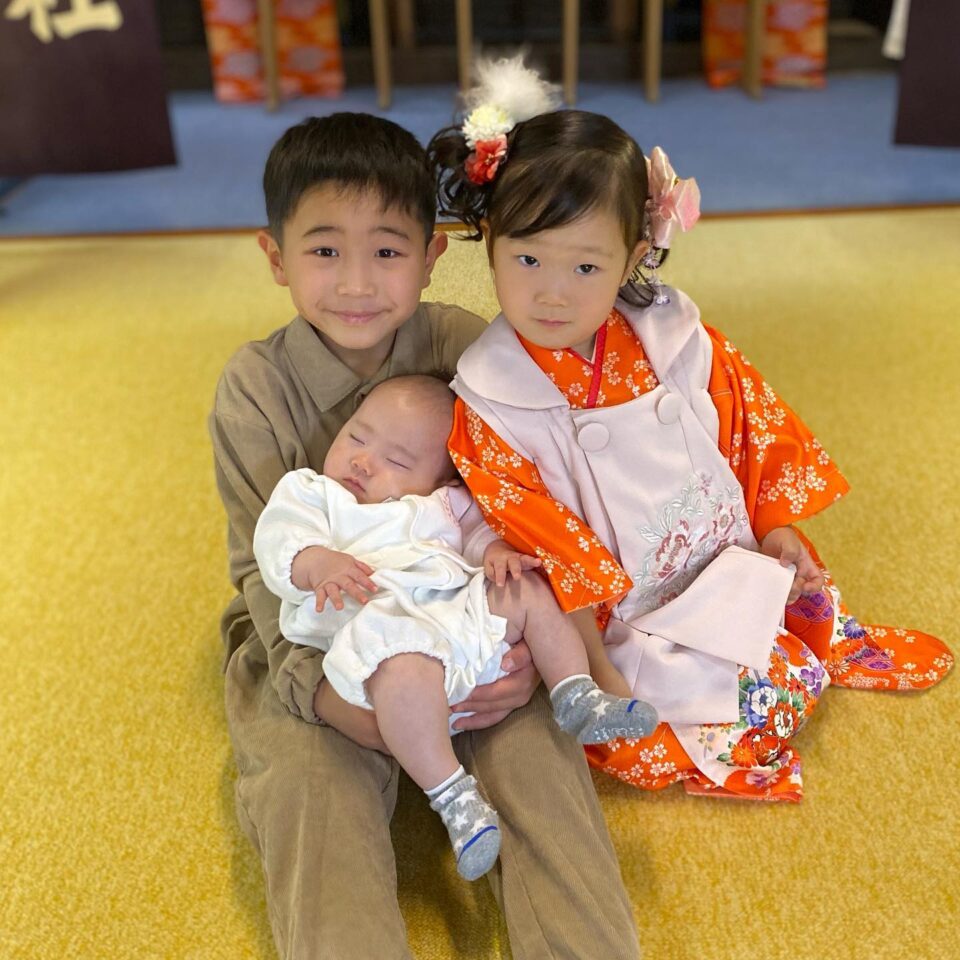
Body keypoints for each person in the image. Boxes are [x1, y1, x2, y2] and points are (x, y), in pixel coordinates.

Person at [428, 56, 953, 803]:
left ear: (634, 258)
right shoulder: (493, 397)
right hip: (626, 612)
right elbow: (551, 549)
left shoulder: (674, 338)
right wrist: (596, 675)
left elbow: (748, 431)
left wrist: (775, 527)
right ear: (490, 242)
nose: (551, 293)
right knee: (692, 726)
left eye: (586, 268)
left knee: (791, 631)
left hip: (720, 551)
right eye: (527, 258)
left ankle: (783, 628)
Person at [208, 112, 642, 958]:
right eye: (324, 250)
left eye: (388, 250)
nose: (357, 282)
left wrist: (524, 666)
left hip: (461, 608)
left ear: (434, 253)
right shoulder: (255, 387)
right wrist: (326, 697)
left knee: (541, 771)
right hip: (313, 638)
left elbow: (528, 499)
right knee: (310, 796)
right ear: (276, 256)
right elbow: (263, 574)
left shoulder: (462, 345)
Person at [252, 374, 657, 881]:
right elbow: (278, 542)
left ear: (439, 480)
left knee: (528, 590)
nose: (363, 461)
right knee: (402, 669)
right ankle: (454, 797)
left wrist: (497, 553)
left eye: (397, 461)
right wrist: (317, 563)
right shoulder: (314, 495)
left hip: (463, 624)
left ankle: (576, 694)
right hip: (386, 637)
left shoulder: (442, 504)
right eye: (356, 436)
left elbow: (479, 532)